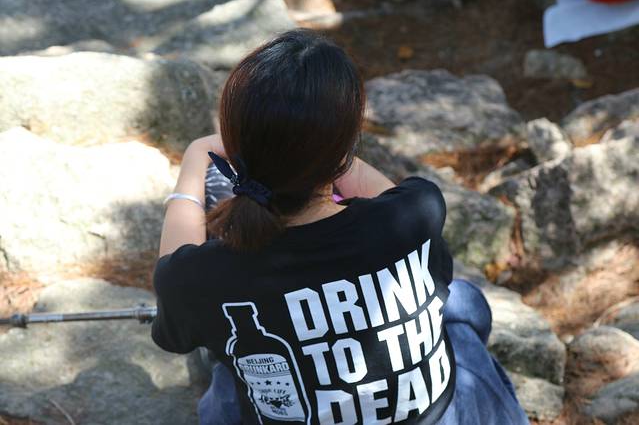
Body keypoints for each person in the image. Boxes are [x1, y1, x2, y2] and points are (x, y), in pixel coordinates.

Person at [152, 29, 529, 424]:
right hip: (440, 415)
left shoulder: (204, 277)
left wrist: (196, 155)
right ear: (345, 150)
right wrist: (321, 145)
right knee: (461, 299)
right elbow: (382, 197)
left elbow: (172, 271)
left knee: (226, 374)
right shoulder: (418, 210)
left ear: (233, 147)